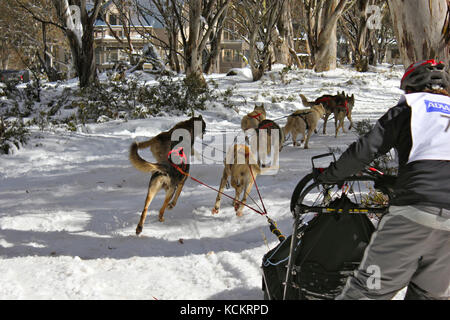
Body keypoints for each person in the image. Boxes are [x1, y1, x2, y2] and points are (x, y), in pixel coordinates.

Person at [316, 59, 450, 300]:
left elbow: (364, 151)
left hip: (414, 215)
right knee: (430, 296)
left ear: (409, 87)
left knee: (366, 293)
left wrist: (330, 176)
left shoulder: (409, 108)